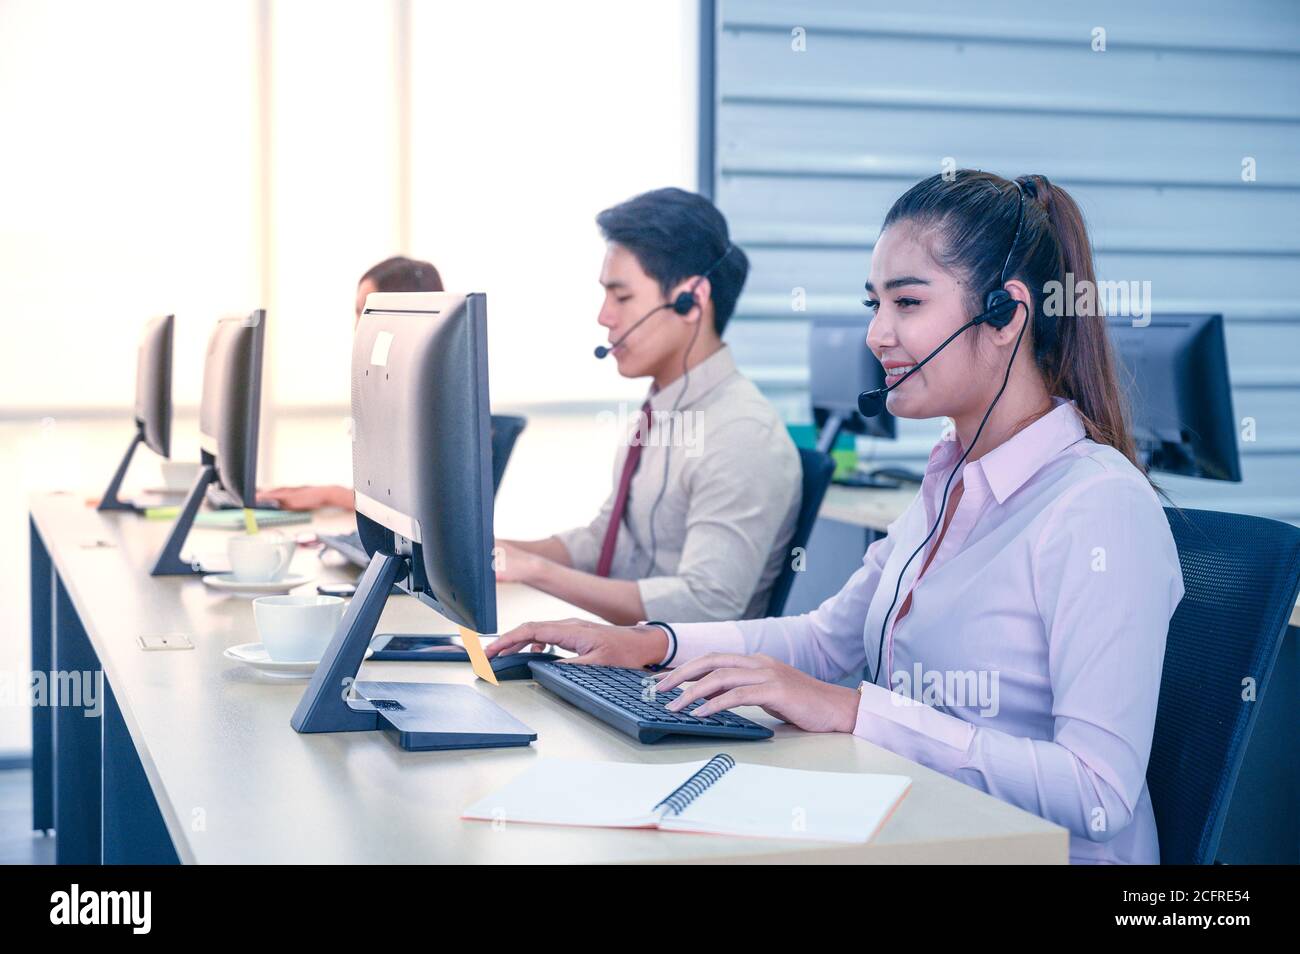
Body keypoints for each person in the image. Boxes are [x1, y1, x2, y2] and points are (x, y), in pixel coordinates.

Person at [488, 171, 1185, 865]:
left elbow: (1098, 791)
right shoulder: (949, 481)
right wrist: (656, 643)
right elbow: (826, 641)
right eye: (874, 303)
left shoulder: (1098, 507)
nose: (878, 333)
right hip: (921, 833)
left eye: (907, 302)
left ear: (1005, 313)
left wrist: (856, 712)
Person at [494, 188, 801, 626]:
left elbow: (705, 603)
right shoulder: (663, 408)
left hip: (682, 682)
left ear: (690, 301)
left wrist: (538, 572)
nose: (604, 317)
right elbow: (608, 541)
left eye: (621, 297)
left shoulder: (741, 434)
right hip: (624, 662)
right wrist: (496, 553)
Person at [260, 256, 443, 511]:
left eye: (367, 312)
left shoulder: (435, 400)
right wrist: (307, 492)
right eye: (358, 311)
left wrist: (330, 495)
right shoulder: (392, 388)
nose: (359, 325)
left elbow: (415, 509)